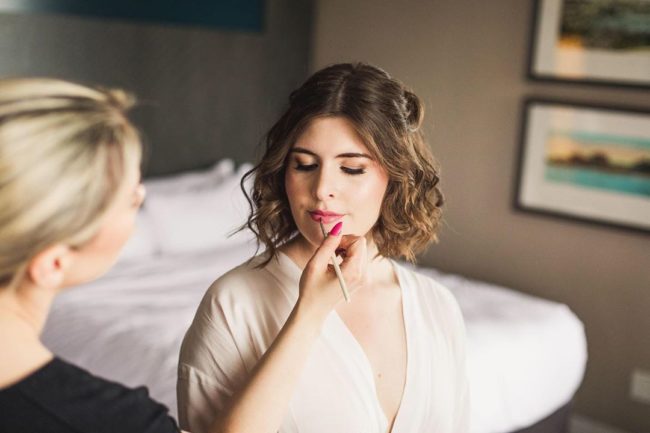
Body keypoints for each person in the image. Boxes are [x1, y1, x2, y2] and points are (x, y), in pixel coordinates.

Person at [0, 77, 356, 433]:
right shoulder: (116, 422)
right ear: (52, 264)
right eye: (129, 201)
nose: (142, 199)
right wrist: (309, 313)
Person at [177, 62, 469, 433]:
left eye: (351, 169)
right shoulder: (233, 303)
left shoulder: (437, 305)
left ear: (396, 176)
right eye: (304, 165)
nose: (321, 189)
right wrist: (309, 313)